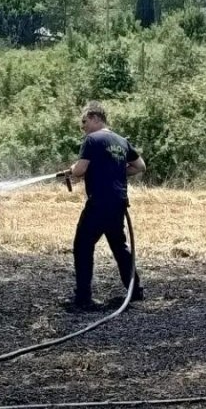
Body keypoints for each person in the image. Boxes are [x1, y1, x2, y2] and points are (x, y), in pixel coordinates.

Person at [58, 102, 146, 312]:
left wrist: (70, 170)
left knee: (82, 245)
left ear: (96, 117)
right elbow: (140, 166)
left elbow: (80, 170)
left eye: (85, 121)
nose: (83, 127)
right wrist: (116, 172)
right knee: (119, 246)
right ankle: (135, 291)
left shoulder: (92, 140)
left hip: (98, 203)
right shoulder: (121, 141)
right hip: (118, 204)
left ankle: (83, 298)